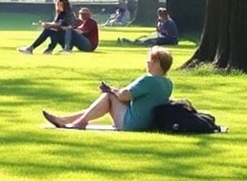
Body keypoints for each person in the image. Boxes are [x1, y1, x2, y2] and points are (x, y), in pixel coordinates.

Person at [41, 46, 174, 130]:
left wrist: (112, 90)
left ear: (156, 62)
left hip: (132, 124)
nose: (147, 62)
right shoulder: (168, 83)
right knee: (109, 97)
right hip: (148, 123)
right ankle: (64, 120)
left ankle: (81, 122)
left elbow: (124, 95)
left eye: (150, 60)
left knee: (108, 96)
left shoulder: (148, 80)